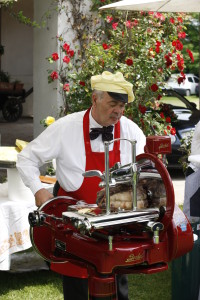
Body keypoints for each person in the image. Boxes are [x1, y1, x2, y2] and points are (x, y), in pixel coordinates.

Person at [16, 71, 146, 300]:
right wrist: (39, 191)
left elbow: (144, 173)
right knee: (76, 287)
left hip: (115, 224)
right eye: (113, 104)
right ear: (95, 99)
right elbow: (27, 158)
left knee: (116, 283)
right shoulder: (67, 127)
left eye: (123, 106)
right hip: (74, 225)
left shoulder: (131, 131)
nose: (118, 111)